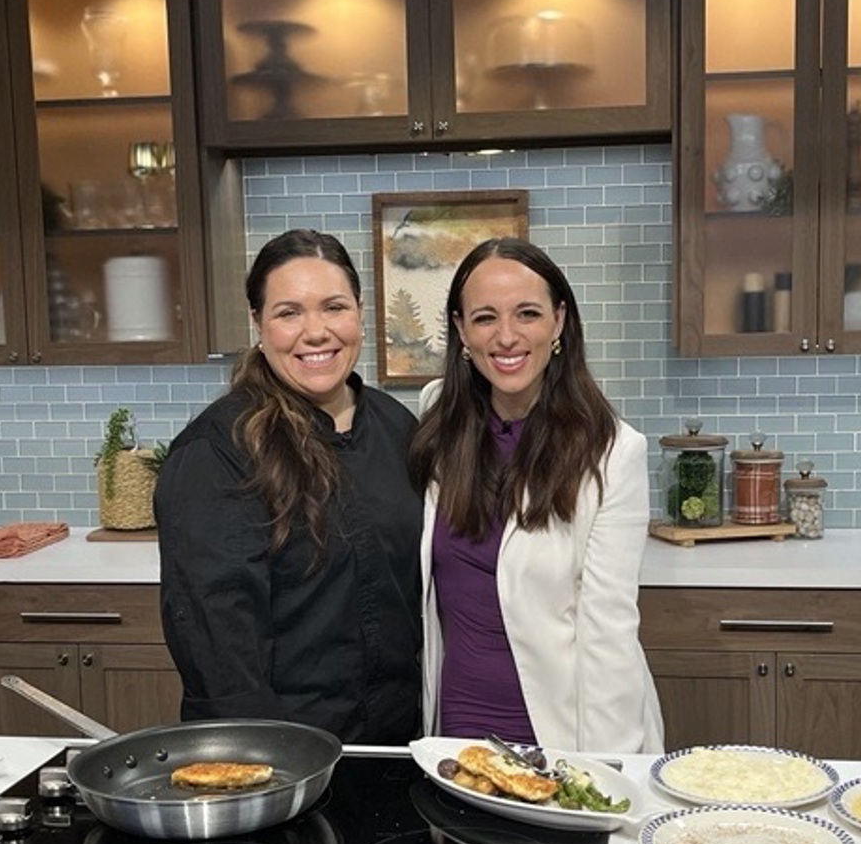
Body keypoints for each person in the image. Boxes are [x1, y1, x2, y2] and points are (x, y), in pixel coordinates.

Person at [156, 229, 422, 744]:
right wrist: (265, 763)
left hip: (397, 747)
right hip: (282, 756)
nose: (316, 331)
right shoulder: (218, 451)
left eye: (334, 307)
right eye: (289, 312)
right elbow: (218, 641)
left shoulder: (397, 429)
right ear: (258, 324)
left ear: (360, 314)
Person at [408, 236, 664, 753]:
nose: (506, 337)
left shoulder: (613, 454)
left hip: (559, 738)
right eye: (484, 318)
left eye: (527, 313)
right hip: (453, 735)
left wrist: (603, 776)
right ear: (460, 330)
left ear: (559, 322)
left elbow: (608, 633)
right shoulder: (438, 418)